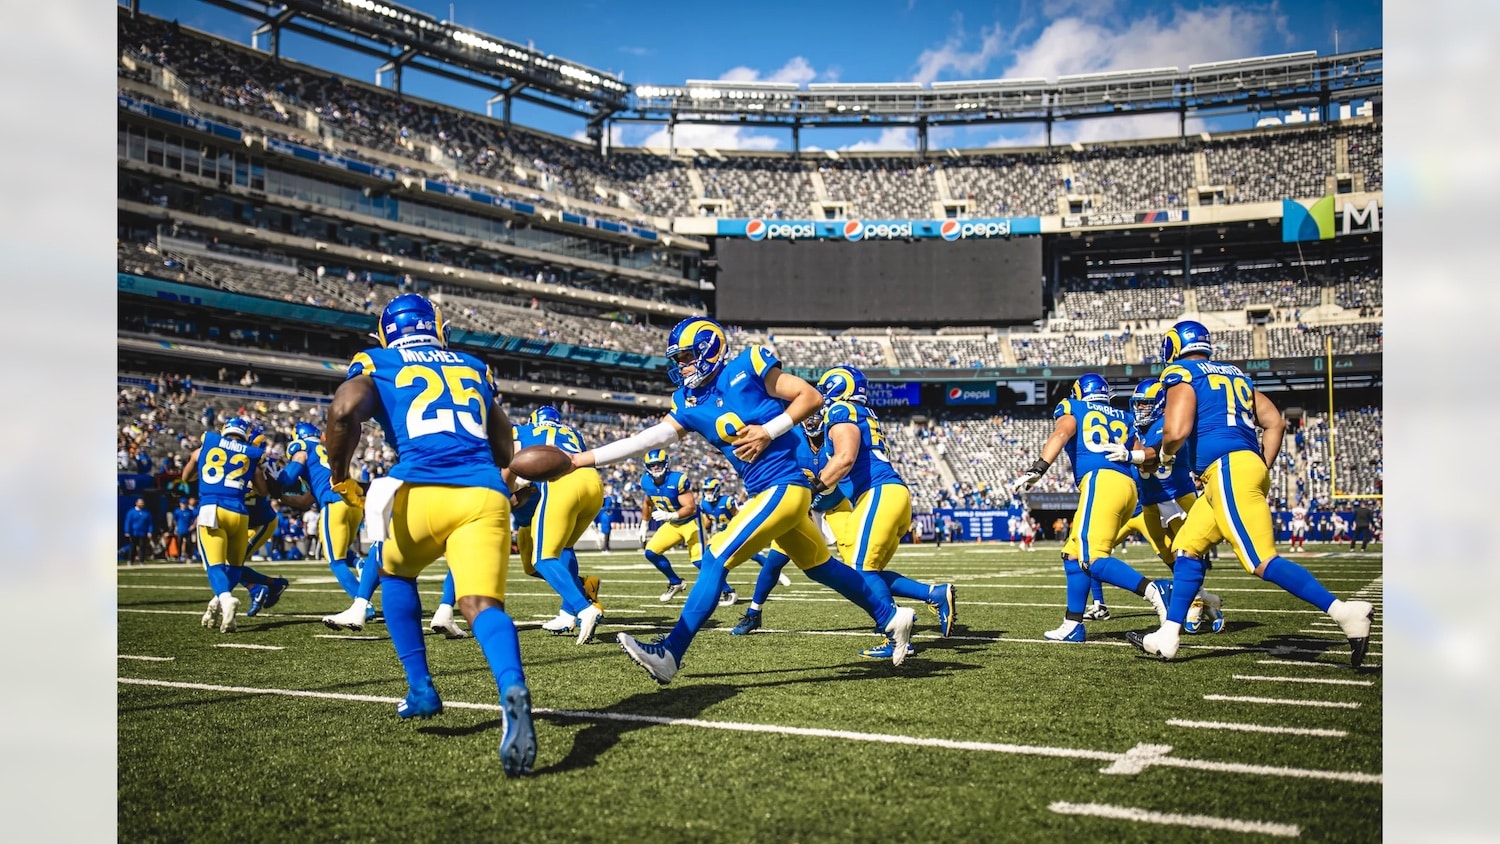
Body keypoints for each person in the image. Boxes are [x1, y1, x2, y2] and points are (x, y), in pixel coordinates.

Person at [567, 318, 917, 683]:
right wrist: (581, 459)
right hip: (770, 490)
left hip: (784, 486)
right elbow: (647, 440)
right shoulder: (687, 401)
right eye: (679, 358)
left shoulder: (747, 365)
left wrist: (769, 430)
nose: (681, 365)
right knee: (820, 566)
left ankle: (671, 652)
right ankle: (891, 617)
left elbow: (810, 397)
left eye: (686, 356)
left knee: (717, 556)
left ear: (708, 349)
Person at [322, 293, 535, 775]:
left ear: (384, 334)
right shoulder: (472, 365)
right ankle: (511, 687)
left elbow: (342, 412)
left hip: (419, 490)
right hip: (481, 493)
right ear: (438, 328)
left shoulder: (378, 361)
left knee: (395, 575)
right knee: (481, 604)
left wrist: (340, 471)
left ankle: (420, 687)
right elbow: (505, 443)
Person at [1127, 320, 1374, 667]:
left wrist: (1166, 454)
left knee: (1260, 560)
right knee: (1186, 549)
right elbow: (1275, 421)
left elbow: (1176, 430)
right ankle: (1168, 635)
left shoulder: (1181, 372)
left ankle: (1344, 612)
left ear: (1173, 346)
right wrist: (1260, 465)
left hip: (1226, 469)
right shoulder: (1235, 374)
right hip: (1232, 470)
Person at [1010, 374, 1167, 643]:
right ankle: (1073, 624)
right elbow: (1144, 460)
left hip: (1101, 481)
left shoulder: (1074, 407)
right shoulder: (1124, 416)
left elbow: (1061, 432)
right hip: (1127, 486)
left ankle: (1155, 591)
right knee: (1072, 555)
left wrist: (1039, 468)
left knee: (1091, 557)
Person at [816, 366, 956, 658]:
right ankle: (933, 594)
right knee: (871, 570)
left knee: (860, 570)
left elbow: (845, 458)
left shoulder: (841, 410)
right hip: (891, 494)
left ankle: (895, 636)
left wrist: (813, 488)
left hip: (879, 493)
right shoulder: (861, 412)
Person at [1088, 379, 1224, 632]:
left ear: (1160, 404)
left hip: (1177, 497)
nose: (1139, 408)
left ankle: (1195, 600)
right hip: (1150, 501)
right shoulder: (1135, 429)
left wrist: (1131, 455)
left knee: (1188, 551)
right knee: (1167, 554)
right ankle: (1205, 598)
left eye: (1146, 403)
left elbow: (1152, 454)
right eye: (1137, 403)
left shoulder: (1167, 423)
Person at [730, 411, 855, 636]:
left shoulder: (837, 434)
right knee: (774, 561)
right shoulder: (791, 437)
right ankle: (753, 613)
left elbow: (847, 466)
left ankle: (884, 611)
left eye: (816, 416)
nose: (811, 421)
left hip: (835, 505)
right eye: (807, 416)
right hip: (802, 508)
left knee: (859, 561)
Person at [510, 405, 605, 644]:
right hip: (592, 483)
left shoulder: (522, 431)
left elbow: (513, 465)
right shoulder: (574, 433)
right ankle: (567, 613)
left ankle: (584, 607)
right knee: (564, 549)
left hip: (560, 484)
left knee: (542, 559)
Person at [278, 421, 370, 628]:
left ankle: (363, 604)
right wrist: (282, 497)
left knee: (335, 560)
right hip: (352, 503)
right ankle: (358, 563)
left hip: (333, 503)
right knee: (342, 551)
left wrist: (279, 481)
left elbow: (292, 471)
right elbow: (306, 500)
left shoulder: (302, 447)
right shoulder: (325, 452)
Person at [182, 418, 269, 633]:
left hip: (212, 508)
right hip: (239, 513)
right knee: (235, 568)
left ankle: (225, 598)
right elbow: (263, 491)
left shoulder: (208, 444)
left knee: (214, 566)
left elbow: (186, 475)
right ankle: (217, 601)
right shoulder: (251, 453)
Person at [638, 450, 728, 605]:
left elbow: (691, 508)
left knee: (699, 561)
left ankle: (728, 591)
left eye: (659, 464)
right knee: (651, 553)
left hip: (690, 523)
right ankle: (675, 582)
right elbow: (648, 501)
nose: (656, 468)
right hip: (673, 524)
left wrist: (670, 515)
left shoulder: (677, 480)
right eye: (652, 465)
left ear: (666, 463)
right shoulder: (645, 481)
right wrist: (644, 523)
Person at [124, 499, 155, 566]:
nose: (141, 504)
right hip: (134, 533)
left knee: (142, 547)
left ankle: (141, 561)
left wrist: (149, 531)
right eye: (140, 503)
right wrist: (127, 531)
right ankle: (130, 561)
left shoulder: (146, 513)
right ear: (136, 503)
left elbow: (150, 523)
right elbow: (128, 522)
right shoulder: (131, 512)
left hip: (143, 533)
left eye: (142, 503)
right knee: (132, 547)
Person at [173, 496, 197, 562]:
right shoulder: (177, 511)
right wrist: (176, 527)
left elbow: (194, 518)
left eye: (185, 503)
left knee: (189, 544)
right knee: (179, 544)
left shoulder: (189, 511)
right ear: (180, 504)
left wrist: (193, 526)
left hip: (188, 530)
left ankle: (189, 557)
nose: (184, 505)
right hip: (180, 529)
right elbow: (175, 520)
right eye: (183, 503)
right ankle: (179, 557)